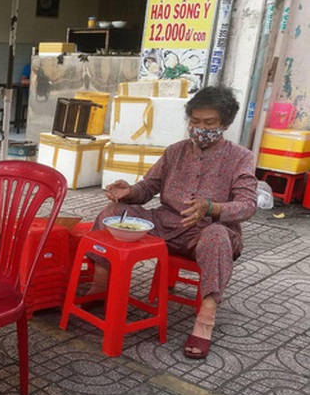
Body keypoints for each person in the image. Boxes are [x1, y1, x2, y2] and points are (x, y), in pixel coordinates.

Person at [89, 86, 257, 359]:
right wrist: (128, 191)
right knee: (115, 210)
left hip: (205, 232)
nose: (201, 128)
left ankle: (205, 322)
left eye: (209, 123)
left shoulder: (241, 157)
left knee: (216, 235)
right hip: (165, 224)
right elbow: (147, 189)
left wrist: (212, 208)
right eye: (195, 121)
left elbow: (248, 205)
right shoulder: (175, 151)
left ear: (225, 124)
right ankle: (100, 285)